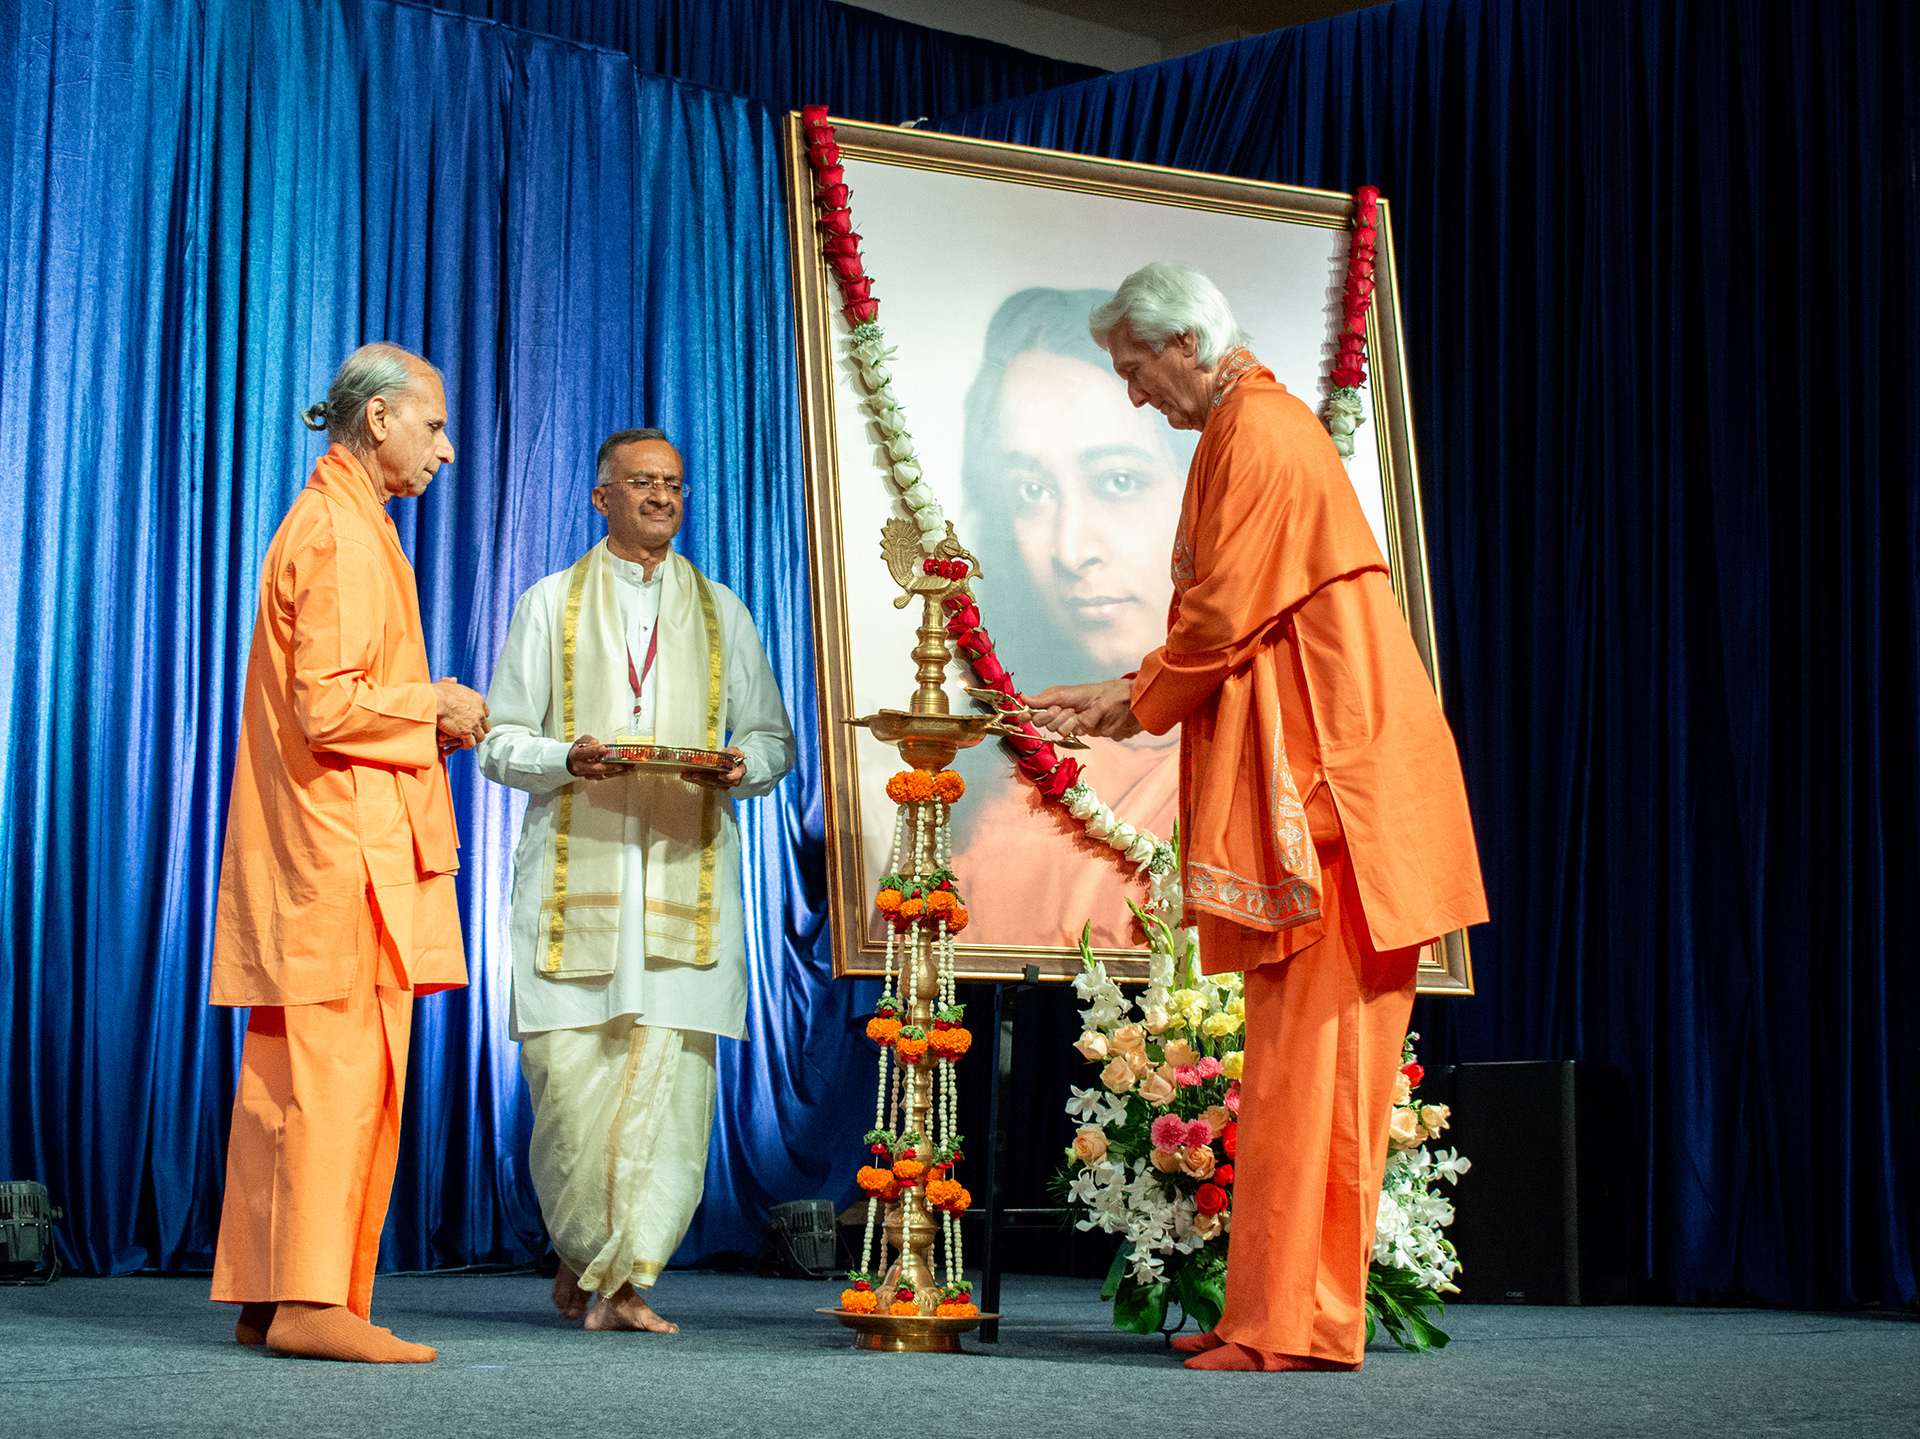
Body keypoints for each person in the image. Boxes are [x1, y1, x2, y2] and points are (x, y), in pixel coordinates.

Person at [1033, 263, 1488, 1373]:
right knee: (1298, 1073)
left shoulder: (1262, 429)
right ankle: (1281, 1316)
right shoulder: (1253, 423)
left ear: (1185, 340)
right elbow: (1226, 618)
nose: (1137, 397)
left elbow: (1225, 612)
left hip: (1345, 805)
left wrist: (1130, 697)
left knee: (1313, 1075)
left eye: (1136, 371)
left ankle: (1293, 1324)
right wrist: (1131, 690)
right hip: (1339, 797)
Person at [478, 427, 794, 1333]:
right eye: (642, 481)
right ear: (600, 496)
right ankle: (585, 1258)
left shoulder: (723, 610)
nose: (661, 496)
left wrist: (740, 768)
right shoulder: (548, 605)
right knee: (570, 1088)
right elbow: (500, 741)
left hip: (682, 890)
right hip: (575, 891)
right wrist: (568, 756)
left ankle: (620, 1279)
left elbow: (773, 740)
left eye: (674, 484)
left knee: (671, 1091)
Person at [209, 343, 488, 1364]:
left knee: (290, 1080)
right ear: (378, 420)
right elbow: (331, 704)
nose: (445, 450)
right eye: (434, 425)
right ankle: (316, 1301)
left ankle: (272, 1293)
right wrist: (441, 705)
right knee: (337, 1079)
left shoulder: (344, 521)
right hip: (342, 857)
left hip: (325, 849)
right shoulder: (337, 531)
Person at [946, 288, 1194, 948]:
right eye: (1032, 491)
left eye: (1118, 481)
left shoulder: (1279, 759)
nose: (1068, 548)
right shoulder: (986, 786)